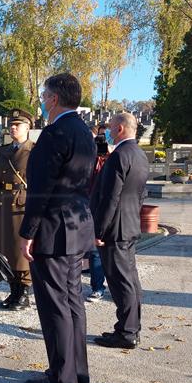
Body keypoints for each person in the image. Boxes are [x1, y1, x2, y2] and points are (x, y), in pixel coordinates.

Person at [19, 73, 96, 383]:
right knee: (72, 299)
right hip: (76, 226)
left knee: (54, 304)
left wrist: (27, 233)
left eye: (43, 95)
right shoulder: (85, 133)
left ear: (53, 99)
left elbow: (40, 190)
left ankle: (61, 375)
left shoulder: (54, 134)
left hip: (53, 227)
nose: (41, 99)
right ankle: (77, 369)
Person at [91, 112, 149, 349]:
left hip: (115, 229)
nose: (108, 131)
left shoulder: (119, 156)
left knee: (120, 282)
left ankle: (126, 333)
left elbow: (110, 197)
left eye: (111, 128)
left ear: (121, 129)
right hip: (129, 224)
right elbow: (141, 194)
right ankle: (130, 328)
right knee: (131, 280)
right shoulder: (139, 154)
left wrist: (99, 231)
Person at [0, 108, 34, 310]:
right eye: (11, 125)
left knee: (20, 249)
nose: (13, 128)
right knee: (6, 247)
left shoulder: (34, 150)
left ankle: (24, 292)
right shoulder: (2, 151)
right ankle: (13, 290)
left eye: (17, 125)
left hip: (23, 204)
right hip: (3, 203)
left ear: (28, 127)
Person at [86, 126, 110, 300]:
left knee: (114, 251)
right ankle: (97, 286)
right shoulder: (88, 158)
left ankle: (118, 287)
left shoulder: (115, 156)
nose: (101, 142)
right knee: (94, 251)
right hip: (89, 205)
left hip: (108, 207)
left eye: (104, 137)